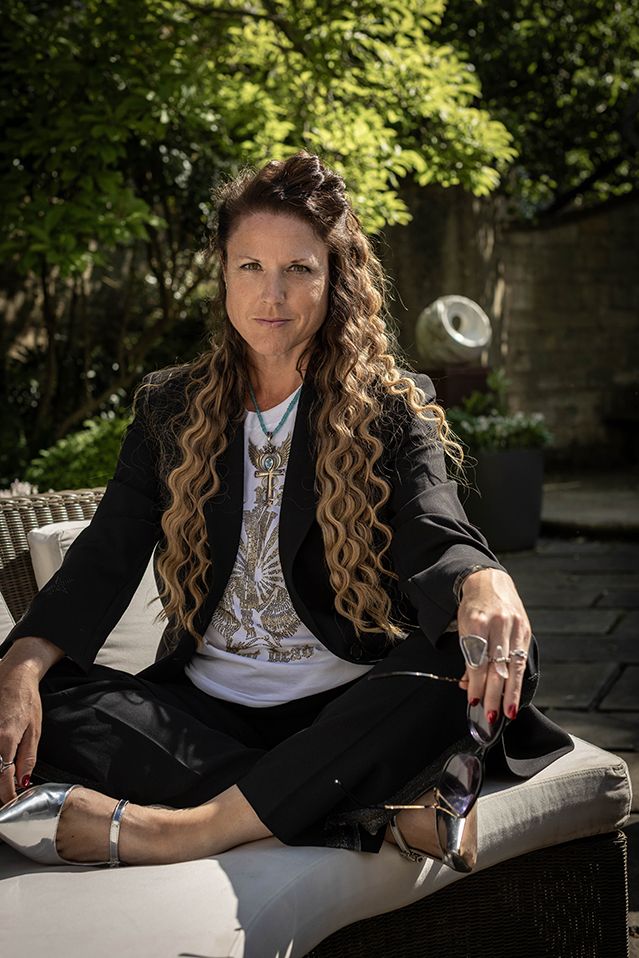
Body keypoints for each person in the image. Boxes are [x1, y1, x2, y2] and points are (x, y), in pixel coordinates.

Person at [0, 151, 572, 871]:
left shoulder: (387, 409)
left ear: (335, 278)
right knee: (44, 690)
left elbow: (435, 528)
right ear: (223, 273)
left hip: (346, 705)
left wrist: (483, 581)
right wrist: (21, 663)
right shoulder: (169, 408)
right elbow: (106, 553)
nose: (271, 294)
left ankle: (189, 828)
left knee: (481, 650)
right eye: (250, 266)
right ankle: (359, 806)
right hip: (199, 716)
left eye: (298, 269)